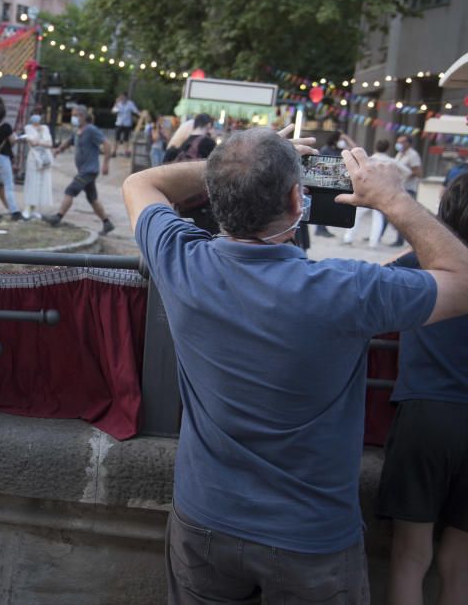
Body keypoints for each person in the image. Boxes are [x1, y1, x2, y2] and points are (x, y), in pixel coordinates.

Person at [122, 124, 468, 604]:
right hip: (311, 539)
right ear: (295, 200)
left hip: (205, 520)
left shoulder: (181, 261)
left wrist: (235, 166)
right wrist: (392, 199)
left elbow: (140, 183)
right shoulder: (347, 289)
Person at [376, 173, 468, 605]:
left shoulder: (422, 265)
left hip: (426, 415)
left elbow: (367, 287)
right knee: (460, 561)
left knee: (410, 555)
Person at [43, 105, 116, 235]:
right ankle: (107, 223)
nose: (73, 118)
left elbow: (107, 144)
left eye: (75, 115)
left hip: (89, 170)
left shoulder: (91, 130)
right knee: (92, 198)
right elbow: (70, 141)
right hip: (84, 170)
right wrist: (59, 150)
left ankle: (58, 217)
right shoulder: (78, 130)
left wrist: (106, 163)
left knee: (70, 190)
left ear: (83, 116)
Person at [342, 139, 407, 248]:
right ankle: (373, 243)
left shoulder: (369, 159)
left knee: (357, 215)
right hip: (383, 193)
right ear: (388, 148)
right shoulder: (391, 161)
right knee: (378, 219)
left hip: (367, 192)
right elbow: (407, 171)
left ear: (376, 147)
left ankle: (348, 237)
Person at [386, 134, 423, 247]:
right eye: (398, 142)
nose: (399, 144)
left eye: (402, 142)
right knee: (394, 214)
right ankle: (396, 238)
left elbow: (418, 172)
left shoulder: (413, 155)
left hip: (408, 189)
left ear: (408, 143)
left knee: (403, 216)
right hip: (399, 188)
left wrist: (405, 176)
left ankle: (401, 240)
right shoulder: (399, 154)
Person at [21, 111, 55, 220]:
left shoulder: (45, 128)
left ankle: (34, 208)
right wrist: (41, 142)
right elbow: (31, 142)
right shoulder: (28, 128)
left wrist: (39, 141)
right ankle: (28, 207)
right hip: (34, 158)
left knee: (41, 183)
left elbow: (49, 143)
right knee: (32, 182)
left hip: (44, 158)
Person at [112, 93, 139, 157]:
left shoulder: (130, 103)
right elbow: (113, 111)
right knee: (116, 138)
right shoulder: (118, 103)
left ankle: (126, 152)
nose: (122, 99)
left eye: (123, 97)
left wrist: (140, 114)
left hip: (127, 124)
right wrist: (116, 103)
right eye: (121, 97)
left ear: (126, 97)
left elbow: (135, 110)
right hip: (119, 123)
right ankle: (114, 151)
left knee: (126, 139)